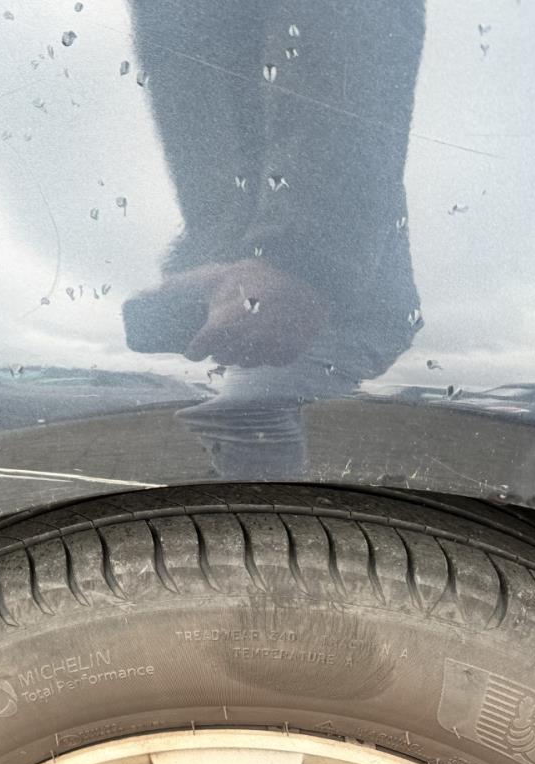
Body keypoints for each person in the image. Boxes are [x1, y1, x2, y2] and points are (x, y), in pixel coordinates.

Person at [122, 1, 425, 477]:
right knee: (245, 454)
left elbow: (348, 19)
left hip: (311, 296)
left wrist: (301, 259)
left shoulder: (306, 274)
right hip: (255, 281)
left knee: (252, 437)